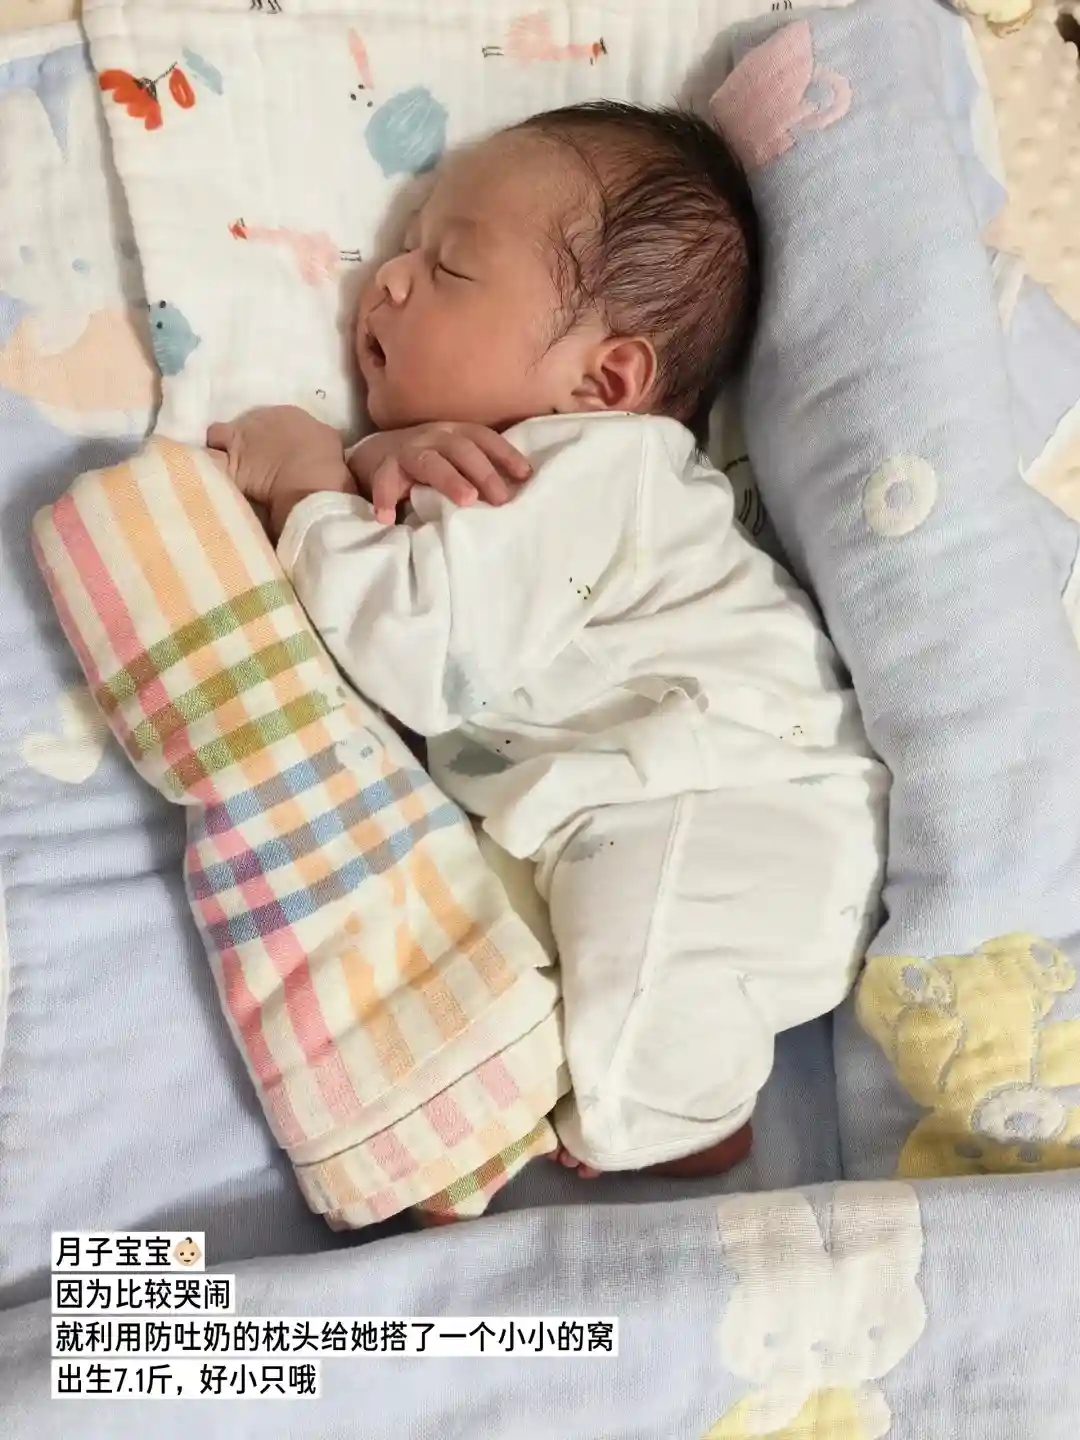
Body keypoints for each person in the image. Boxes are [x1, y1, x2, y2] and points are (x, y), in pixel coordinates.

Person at [208, 102, 887, 1180]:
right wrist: (377, 458)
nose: (388, 278)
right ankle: (510, 1110)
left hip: (739, 802)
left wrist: (306, 483)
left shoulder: (598, 468)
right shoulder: (507, 470)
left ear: (603, 382)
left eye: (449, 267)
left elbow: (416, 650)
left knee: (643, 949)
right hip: (604, 810)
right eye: (404, 245)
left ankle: (679, 1118)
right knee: (476, 956)